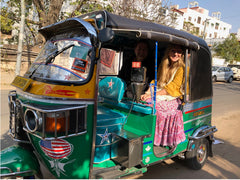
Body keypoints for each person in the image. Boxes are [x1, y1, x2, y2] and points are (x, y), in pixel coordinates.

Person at [141, 44, 186, 147]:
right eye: (173, 51)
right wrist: (147, 93)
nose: (176, 54)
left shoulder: (181, 68)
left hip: (173, 97)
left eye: (179, 52)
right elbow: (156, 81)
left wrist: (153, 95)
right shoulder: (164, 65)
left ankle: (157, 139)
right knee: (141, 102)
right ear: (168, 52)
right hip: (161, 94)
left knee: (152, 106)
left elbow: (173, 87)